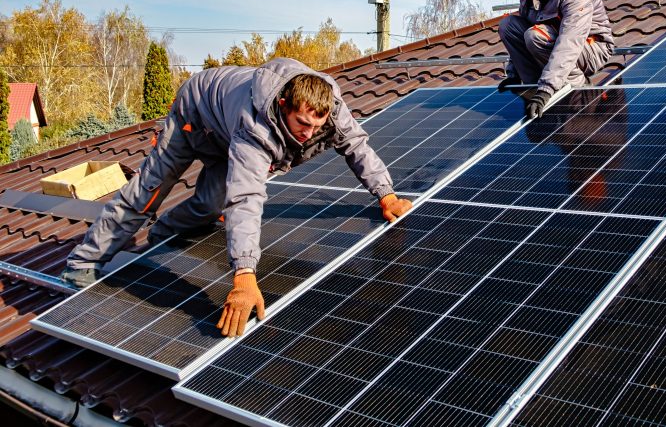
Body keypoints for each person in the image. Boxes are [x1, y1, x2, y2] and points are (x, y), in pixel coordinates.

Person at [61, 57, 412, 337]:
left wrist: (386, 194)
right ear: (283, 103)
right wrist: (244, 274)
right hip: (196, 115)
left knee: (213, 202)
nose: (308, 134)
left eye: (316, 127)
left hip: (225, 127)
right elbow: (247, 197)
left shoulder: (329, 109)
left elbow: (357, 147)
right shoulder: (255, 126)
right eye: (302, 123)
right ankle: (84, 262)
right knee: (151, 188)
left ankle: (165, 232)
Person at [497, 0, 615, 118]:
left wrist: (547, 89)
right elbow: (524, 22)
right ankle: (532, 89)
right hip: (555, 39)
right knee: (508, 25)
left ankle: (575, 94)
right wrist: (514, 74)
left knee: (535, 36)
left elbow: (570, 41)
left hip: (591, 47)